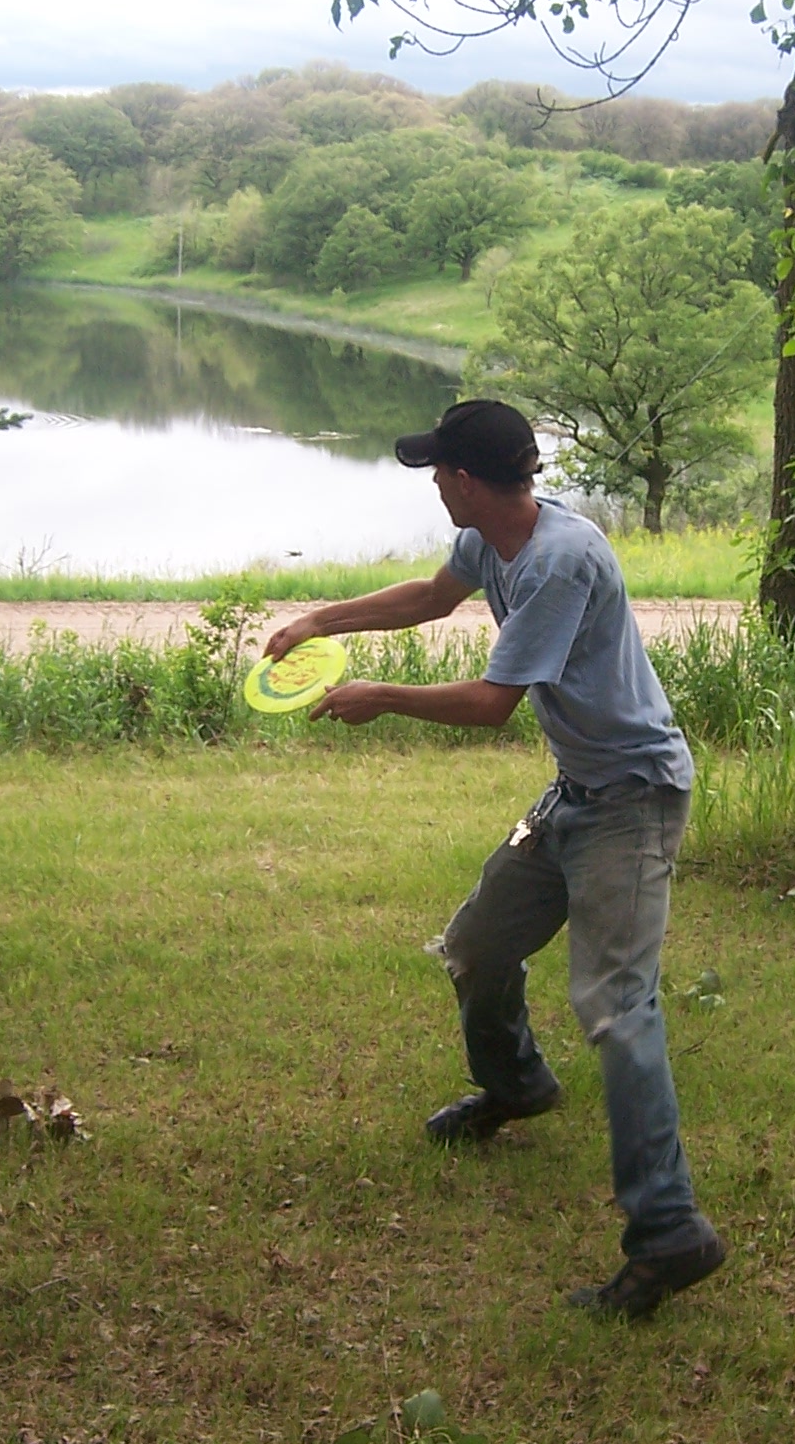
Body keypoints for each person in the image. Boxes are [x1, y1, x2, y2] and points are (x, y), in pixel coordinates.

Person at [264, 399, 724, 1319]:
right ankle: (517, 1086)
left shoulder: (558, 560)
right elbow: (431, 597)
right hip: (577, 794)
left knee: (616, 1007)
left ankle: (671, 1231)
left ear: (468, 481)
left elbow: (490, 703)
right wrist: (321, 621)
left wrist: (381, 697)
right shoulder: (493, 536)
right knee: (477, 946)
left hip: (632, 801)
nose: (435, 481)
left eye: (440, 469)